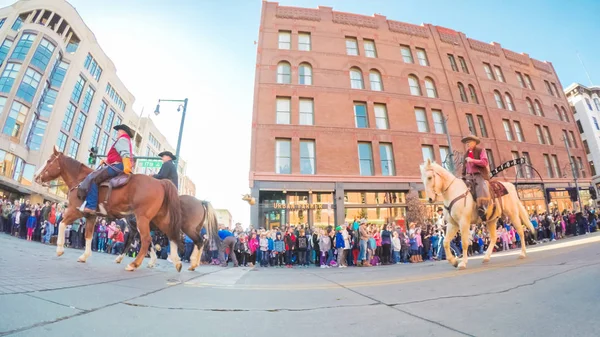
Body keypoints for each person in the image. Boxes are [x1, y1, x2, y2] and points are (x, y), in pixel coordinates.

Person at [80, 124, 134, 215]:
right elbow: (116, 156)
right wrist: (107, 161)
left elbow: (125, 154)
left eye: (118, 131)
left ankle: (91, 206)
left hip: (118, 166)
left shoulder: (122, 139)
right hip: (117, 165)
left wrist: (126, 167)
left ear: (123, 132)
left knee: (94, 179)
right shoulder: (125, 140)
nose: (117, 133)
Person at [461, 134, 491, 221]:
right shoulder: (465, 155)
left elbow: (484, 162)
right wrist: (462, 177)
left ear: (474, 143)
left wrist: (472, 160)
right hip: (469, 176)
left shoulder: (481, 150)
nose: (467, 144)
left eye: (469, 142)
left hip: (479, 174)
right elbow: (464, 167)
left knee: (480, 188)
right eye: (466, 142)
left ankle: (483, 208)